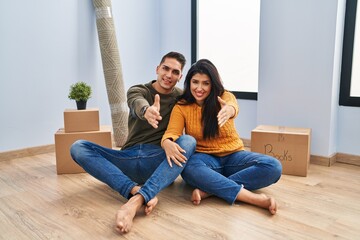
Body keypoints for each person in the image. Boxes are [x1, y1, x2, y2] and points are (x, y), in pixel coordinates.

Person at [70, 52, 196, 233]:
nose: (169, 75)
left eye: (175, 72)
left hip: (157, 158)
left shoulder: (181, 97)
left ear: (180, 77)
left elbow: (206, 97)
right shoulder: (138, 90)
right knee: (78, 147)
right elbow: (137, 102)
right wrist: (147, 111)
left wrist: (231, 107)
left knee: (189, 141)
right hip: (126, 158)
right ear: (157, 69)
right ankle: (134, 189)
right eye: (165, 68)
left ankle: (136, 200)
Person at [161, 59, 282, 215]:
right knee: (188, 170)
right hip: (205, 159)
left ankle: (211, 190)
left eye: (205, 83)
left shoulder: (224, 96)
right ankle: (251, 198)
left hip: (234, 156)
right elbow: (172, 132)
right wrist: (167, 143)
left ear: (213, 84)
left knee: (273, 167)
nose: (199, 88)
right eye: (195, 82)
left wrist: (229, 110)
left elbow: (233, 107)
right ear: (188, 82)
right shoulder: (182, 106)